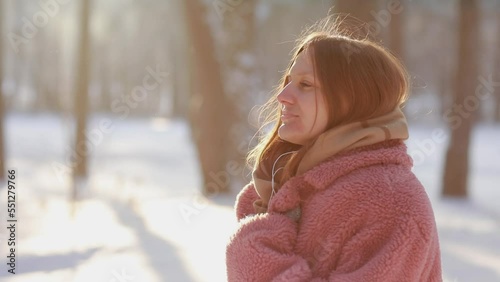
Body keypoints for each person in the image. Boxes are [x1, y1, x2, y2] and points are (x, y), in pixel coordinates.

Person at [225, 16, 442, 281]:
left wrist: (254, 259)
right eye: (289, 82)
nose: (283, 96)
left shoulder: (391, 199)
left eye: (305, 85)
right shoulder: (286, 186)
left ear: (353, 99)